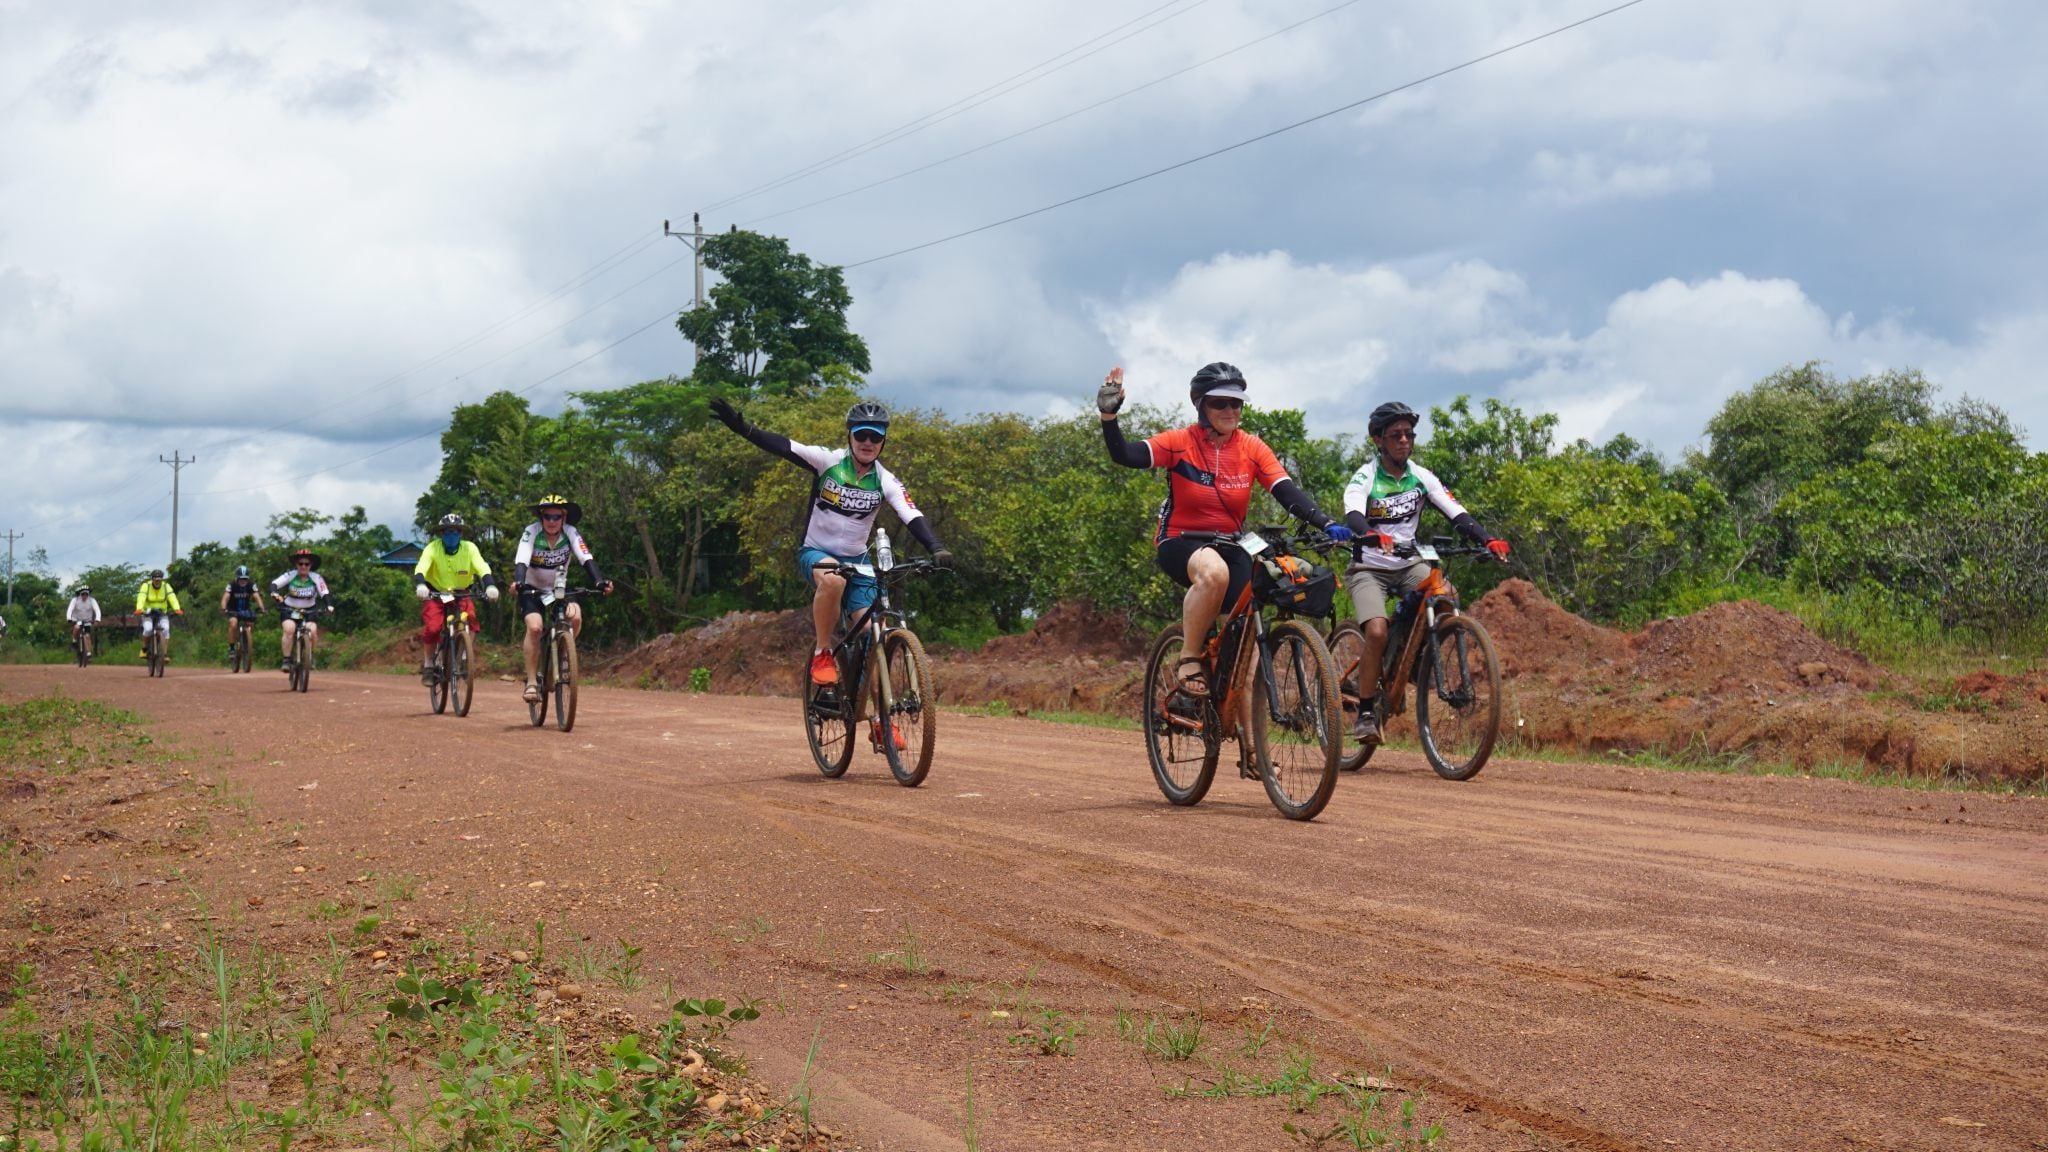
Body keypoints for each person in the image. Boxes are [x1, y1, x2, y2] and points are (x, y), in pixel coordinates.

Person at [1097, 363, 1351, 700]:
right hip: (1181, 541)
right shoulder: (1179, 442)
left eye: (1237, 403)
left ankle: (1247, 742)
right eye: (1221, 403)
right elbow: (1125, 454)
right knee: (1213, 573)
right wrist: (1109, 417)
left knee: (1248, 642)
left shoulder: (1252, 448)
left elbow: (1285, 490)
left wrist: (1327, 522)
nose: (1231, 410)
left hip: (1233, 544)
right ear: (1200, 404)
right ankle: (1188, 659)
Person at [708, 397, 951, 747]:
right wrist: (743, 428)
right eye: (862, 434)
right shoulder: (828, 462)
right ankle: (823, 653)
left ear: (884, 441)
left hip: (859, 561)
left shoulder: (885, 481)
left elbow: (910, 514)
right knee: (833, 581)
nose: (868, 442)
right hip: (817, 553)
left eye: (875, 437)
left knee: (873, 634)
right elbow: (784, 446)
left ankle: (879, 719)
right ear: (850, 435)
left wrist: (936, 548)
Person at [1341, 401, 1510, 744]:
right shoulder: (1366, 476)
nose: (1404, 440)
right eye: (1395, 435)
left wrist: (1487, 540)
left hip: (1408, 563)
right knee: (1375, 632)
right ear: (1379, 440)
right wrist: (1371, 534)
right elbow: (1353, 515)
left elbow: (1456, 512)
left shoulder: (1421, 476)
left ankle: (1411, 658)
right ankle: (1367, 711)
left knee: (1445, 595)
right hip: (1369, 566)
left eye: (1409, 434)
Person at [511, 495, 613, 704]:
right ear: (541, 516)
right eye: (547, 516)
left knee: (575, 618)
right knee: (535, 628)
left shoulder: (571, 532)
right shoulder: (531, 531)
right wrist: (519, 581)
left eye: (556, 516)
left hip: (559, 586)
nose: (551, 521)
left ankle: (564, 653)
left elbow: (586, 557)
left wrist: (600, 582)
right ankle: (531, 681)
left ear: (563, 517)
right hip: (531, 588)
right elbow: (522, 557)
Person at [413, 513, 499, 682]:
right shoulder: (432, 548)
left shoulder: (470, 548)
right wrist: (421, 585)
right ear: (441, 534)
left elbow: (482, 567)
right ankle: (429, 664)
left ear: (461, 534)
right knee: (433, 628)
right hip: (435, 593)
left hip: (461, 593)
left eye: (455, 532)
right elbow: (421, 567)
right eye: (447, 532)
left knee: (472, 621)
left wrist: (490, 585)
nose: (451, 536)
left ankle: (465, 658)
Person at [270, 548, 335, 673]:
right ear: (296, 565)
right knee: (289, 630)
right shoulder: (291, 575)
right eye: (300, 564)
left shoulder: (316, 578)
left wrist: (329, 606)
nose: (303, 566)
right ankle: (287, 660)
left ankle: (310, 657)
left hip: (309, 611)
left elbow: (325, 593)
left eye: (307, 564)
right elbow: (275, 584)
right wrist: (274, 593)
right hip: (289, 610)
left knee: (312, 631)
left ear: (311, 565)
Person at [134, 569, 184, 661]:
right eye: (156, 579)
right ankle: (144, 649)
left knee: (166, 629)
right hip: (147, 613)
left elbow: (172, 597)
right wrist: (139, 609)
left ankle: (164, 654)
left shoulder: (166, 586)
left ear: (162, 580)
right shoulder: (146, 586)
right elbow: (141, 597)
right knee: (148, 629)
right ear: (152, 579)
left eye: (159, 579)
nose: (157, 581)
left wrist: (177, 609)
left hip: (162, 613)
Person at [220, 564, 266, 646]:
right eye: (241, 578)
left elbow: (257, 597)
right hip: (232, 610)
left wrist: (262, 608)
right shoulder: (232, 585)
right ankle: (232, 648)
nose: (243, 581)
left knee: (250, 624)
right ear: (237, 578)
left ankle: (246, 644)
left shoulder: (251, 584)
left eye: (245, 579)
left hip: (245, 610)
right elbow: (225, 598)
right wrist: (224, 609)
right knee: (233, 624)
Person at [67, 586, 103, 654]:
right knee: (77, 627)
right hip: (77, 619)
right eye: (83, 594)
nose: (85, 596)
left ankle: (88, 652)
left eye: (86, 594)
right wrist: (69, 618)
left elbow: (97, 610)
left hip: (87, 620)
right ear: (80, 594)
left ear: (88, 594)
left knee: (87, 636)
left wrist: (97, 619)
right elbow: (70, 609)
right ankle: (74, 640)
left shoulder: (92, 600)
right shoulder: (75, 600)